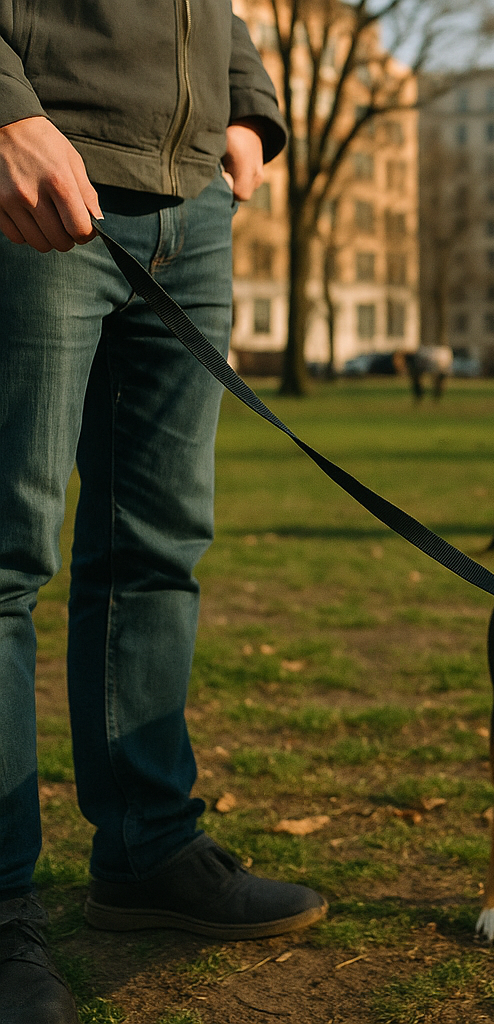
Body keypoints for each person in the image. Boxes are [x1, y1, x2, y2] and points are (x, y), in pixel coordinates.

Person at [0, 6, 327, 1021]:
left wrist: (250, 109)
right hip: (40, 171)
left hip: (192, 203)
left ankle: (147, 850)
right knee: (7, 560)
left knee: (158, 550)